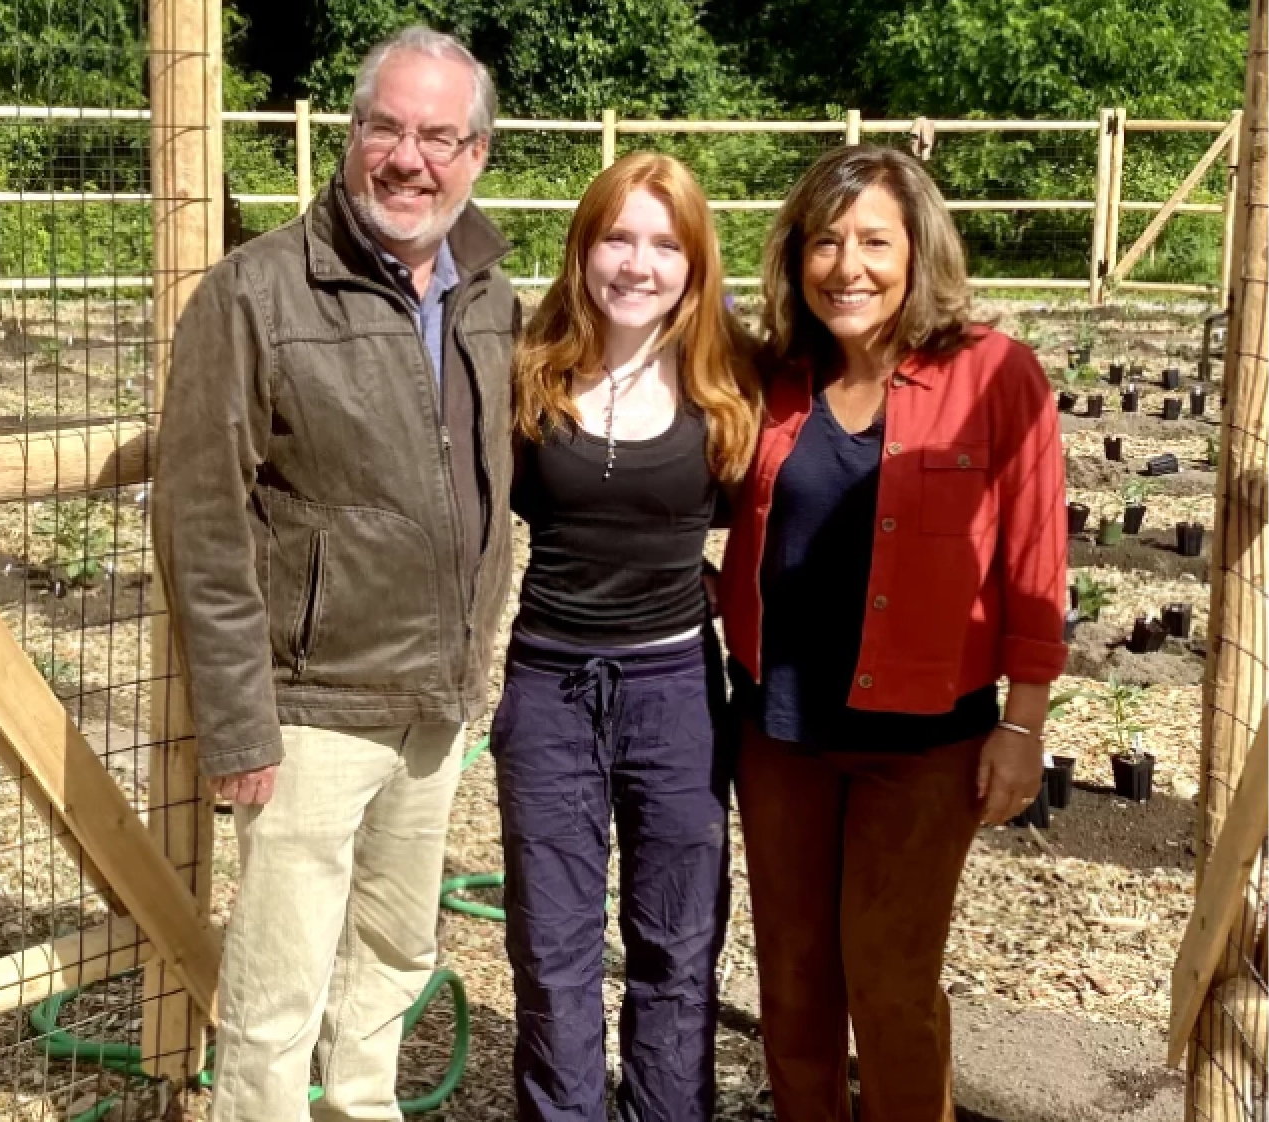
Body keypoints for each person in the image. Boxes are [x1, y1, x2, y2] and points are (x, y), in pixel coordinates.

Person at [151, 27, 519, 1122]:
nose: (408, 159)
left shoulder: (489, 293)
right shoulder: (257, 292)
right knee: (278, 990)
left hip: (435, 699)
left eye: (438, 137)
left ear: (476, 154)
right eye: (385, 128)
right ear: (351, 135)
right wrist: (238, 724)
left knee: (393, 954)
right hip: (309, 705)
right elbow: (201, 518)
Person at [717, 145, 1067, 1122]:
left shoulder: (994, 374)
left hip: (923, 744)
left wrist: (1023, 724)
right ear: (797, 257)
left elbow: (1035, 561)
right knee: (792, 980)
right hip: (780, 730)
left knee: (892, 985)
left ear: (918, 252)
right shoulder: (776, 377)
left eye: (874, 241)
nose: (848, 267)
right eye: (825, 243)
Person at [493, 150, 760, 1122]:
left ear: (695, 263)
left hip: (675, 693)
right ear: (583, 248)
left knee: (677, 943)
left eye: (664, 244)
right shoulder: (529, 372)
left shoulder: (731, 380)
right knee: (551, 944)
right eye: (617, 238)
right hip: (550, 689)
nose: (638, 265)